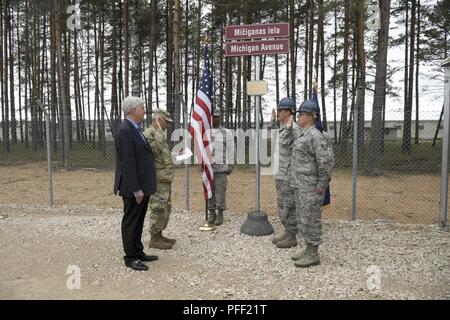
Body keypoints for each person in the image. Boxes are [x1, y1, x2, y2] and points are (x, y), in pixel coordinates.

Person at [287, 100, 334, 268]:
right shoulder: (303, 134)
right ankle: (308, 249)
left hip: (311, 187)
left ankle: (313, 253)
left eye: (301, 114)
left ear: (310, 116)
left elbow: (326, 162)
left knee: (311, 219)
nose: (298, 116)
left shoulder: (315, 136)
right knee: (303, 218)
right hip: (300, 185)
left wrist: (322, 184)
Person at [114, 96, 158, 271]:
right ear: (132, 110)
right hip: (133, 186)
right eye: (141, 108)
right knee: (131, 220)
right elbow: (128, 163)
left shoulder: (136, 128)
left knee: (139, 220)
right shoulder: (125, 131)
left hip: (142, 184)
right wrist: (136, 189)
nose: (144, 110)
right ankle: (130, 257)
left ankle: (138, 251)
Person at [144, 108, 176, 250]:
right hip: (157, 180)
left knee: (165, 208)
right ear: (159, 119)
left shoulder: (159, 134)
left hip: (164, 179)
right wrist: (158, 132)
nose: (168, 125)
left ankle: (160, 235)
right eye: (166, 122)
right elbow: (154, 150)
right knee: (157, 208)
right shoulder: (150, 133)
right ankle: (154, 239)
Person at [272, 97, 301, 249]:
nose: (278, 113)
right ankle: (287, 231)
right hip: (281, 174)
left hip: (288, 176)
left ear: (289, 112)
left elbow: (298, 153)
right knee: (283, 205)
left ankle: (292, 236)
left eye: (281, 110)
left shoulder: (293, 129)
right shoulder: (284, 128)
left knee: (288, 205)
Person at [208, 108, 235, 226]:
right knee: (209, 191)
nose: (214, 118)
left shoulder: (226, 132)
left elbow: (231, 149)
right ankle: (211, 212)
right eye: (212, 116)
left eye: (216, 116)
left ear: (220, 117)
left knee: (220, 191)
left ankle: (220, 213)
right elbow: (201, 149)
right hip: (208, 168)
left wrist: (230, 165)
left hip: (221, 168)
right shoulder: (206, 132)